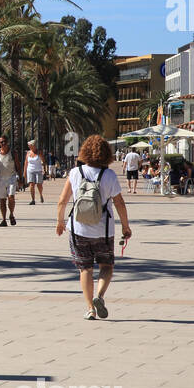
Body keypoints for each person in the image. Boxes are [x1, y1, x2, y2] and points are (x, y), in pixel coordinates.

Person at [55, 134, 132, 321]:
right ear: (106, 154)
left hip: (78, 229)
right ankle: (100, 296)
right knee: (106, 266)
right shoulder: (109, 175)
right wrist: (125, 227)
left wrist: (60, 222)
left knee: (85, 269)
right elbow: (120, 203)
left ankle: (90, 308)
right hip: (104, 231)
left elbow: (62, 201)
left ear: (84, 152)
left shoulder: (75, 173)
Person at [0, 135, 22, 226]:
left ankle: (11, 214)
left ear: (7, 142)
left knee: (11, 197)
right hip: (0, 179)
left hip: (11, 178)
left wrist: (21, 178)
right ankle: (4, 219)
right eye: (1, 142)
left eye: (4, 141)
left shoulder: (13, 153)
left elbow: (18, 166)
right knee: (2, 200)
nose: (3, 143)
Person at [25, 140, 46, 205]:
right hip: (30, 170)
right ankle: (33, 200)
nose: (29, 147)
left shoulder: (39, 152)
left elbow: (44, 161)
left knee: (39, 185)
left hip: (38, 171)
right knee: (31, 185)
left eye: (30, 145)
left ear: (33, 146)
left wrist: (44, 169)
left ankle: (40, 194)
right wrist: (24, 172)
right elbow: (26, 163)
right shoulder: (28, 153)